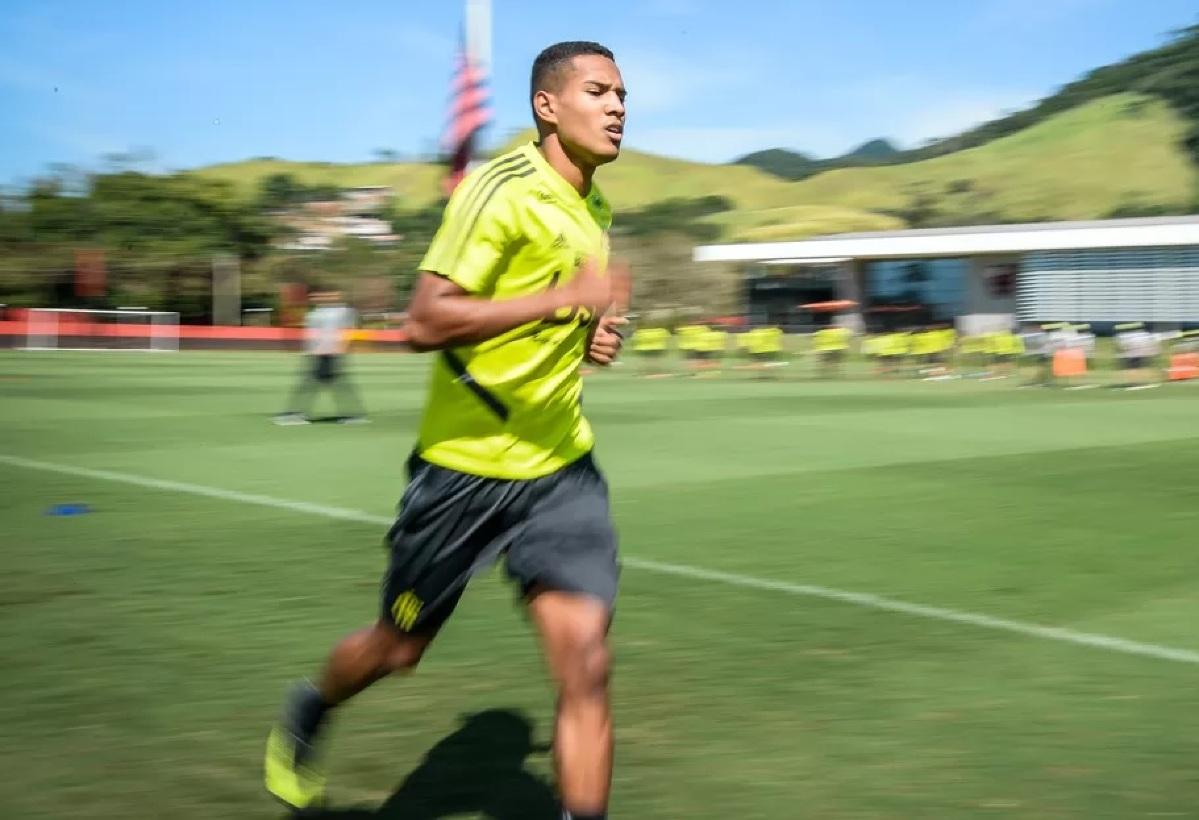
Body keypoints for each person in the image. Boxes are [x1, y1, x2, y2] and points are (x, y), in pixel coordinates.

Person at [264, 41, 629, 820]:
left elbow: (565, 312)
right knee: (396, 650)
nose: (616, 107)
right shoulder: (498, 188)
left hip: (560, 469)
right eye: (597, 91)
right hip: (461, 474)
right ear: (547, 106)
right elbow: (424, 321)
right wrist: (560, 299)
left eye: (621, 94)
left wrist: (591, 334)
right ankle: (313, 705)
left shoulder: (597, 209)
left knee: (585, 667)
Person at [274, 289, 368, 424]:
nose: (317, 297)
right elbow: (312, 335)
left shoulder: (344, 312)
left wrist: (342, 348)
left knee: (312, 385)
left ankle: (296, 414)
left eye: (324, 294)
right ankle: (352, 415)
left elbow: (348, 331)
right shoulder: (315, 313)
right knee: (334, 386)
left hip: (331, 354)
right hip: (318, 354)